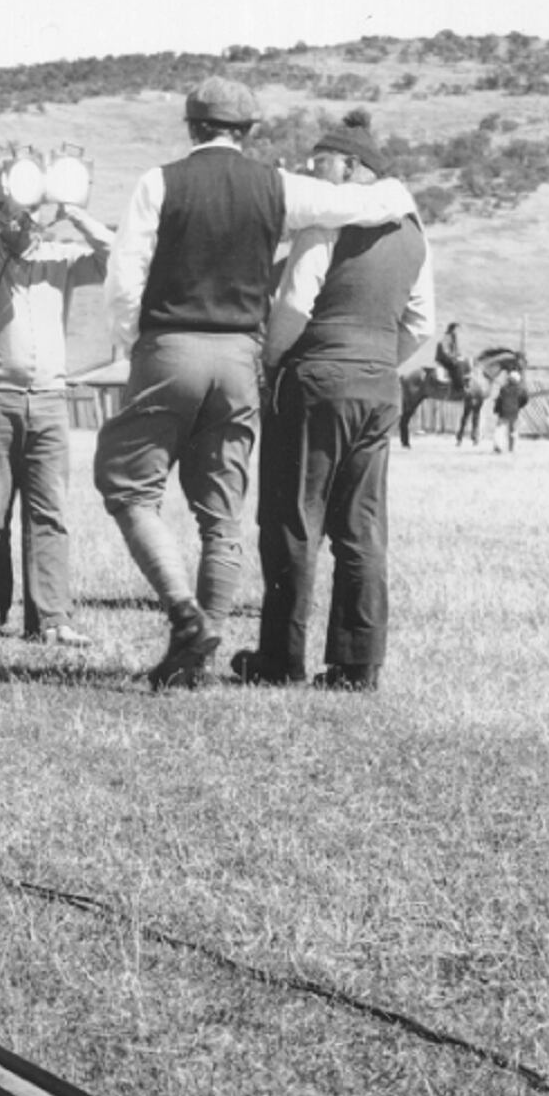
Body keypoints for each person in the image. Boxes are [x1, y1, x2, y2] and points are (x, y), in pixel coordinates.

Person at [94, 79, 420, 688]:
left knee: (129, 487)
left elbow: (124, 277)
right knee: (221, 514)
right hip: (241, 360)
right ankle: (202, 657)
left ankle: (184, 612)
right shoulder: (279, 187)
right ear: (248, 132)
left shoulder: (158, 182)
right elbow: (360, 204)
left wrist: (136, 341)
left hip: (171, 347)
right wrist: (398, 188)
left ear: (192, 126)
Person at [232, 111, 434, 692]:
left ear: (351, 167)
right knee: (362, 527)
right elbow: (421, 324)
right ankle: (357, 664)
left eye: (320, 162)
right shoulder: (416, 234)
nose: (309, 171)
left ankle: (280, 659)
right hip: (378, 385)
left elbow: (294, 305)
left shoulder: (326, 223)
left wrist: (272, 362)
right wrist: (374, 361)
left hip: (316, 379)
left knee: (293, 520)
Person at [0, 158, 111, 644]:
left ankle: (51, 618)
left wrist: (71, 210)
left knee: (49, 512)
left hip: (50, 398)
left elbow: (115, 256)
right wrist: (2, 216)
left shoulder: (59, 255)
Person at [493, 367, 528, 453]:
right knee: (513, 430)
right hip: (514, 411)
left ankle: (499, 446)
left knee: (500, 429)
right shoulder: (521, 390)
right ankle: (512, 448)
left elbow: (499, 400)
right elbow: (525, 399)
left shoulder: (503, 389)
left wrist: (496, 409)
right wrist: (519, 406)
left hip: (503, 411)